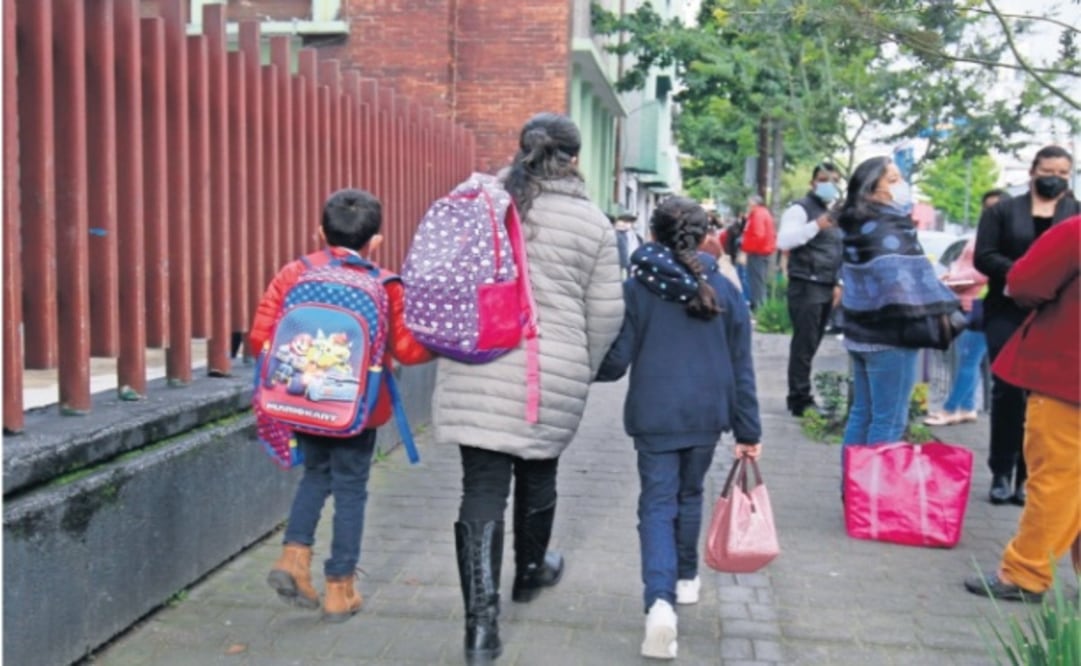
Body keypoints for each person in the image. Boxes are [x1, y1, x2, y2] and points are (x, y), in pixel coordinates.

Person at [430, 113, 624, 664]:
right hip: (548, 368)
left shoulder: (484, 204)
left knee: (481, 488)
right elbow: (606, 314)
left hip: (478, 362)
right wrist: (579, 368)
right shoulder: (592, 224)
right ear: (575, 159)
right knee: (539, 474)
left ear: (521, 151)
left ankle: (480, 631)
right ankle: (530, 574)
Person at [249, 189, 433, 622]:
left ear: (320, 232)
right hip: (358, 410)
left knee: (316, 474)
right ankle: (340, 588)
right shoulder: (386, 284)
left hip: (300, 400)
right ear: (377, 241)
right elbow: (406, 351)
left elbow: (261, 339)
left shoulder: (295, 273)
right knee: (350, 489)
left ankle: (293, 559)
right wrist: (438, 345)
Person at [596, 196, 761, 660]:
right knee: (690, 496)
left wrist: (578, 363)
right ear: (706, 235)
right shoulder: (726, 290)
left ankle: (660, 606)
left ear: (652, 235)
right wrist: (749, 432)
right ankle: (686, 579)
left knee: (657, 503)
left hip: (654, 414)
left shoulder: (639, 288)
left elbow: (616, 363)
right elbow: (741, 368)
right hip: (708, 415)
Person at [965, 214, 1080, 602]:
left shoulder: (1075, 232)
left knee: (1054, 479)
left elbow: (1024, 283)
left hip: (1067, 372)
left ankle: (1025, 575)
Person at [974, 145, 1079, 506]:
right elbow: (984, 255)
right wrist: (1024, 273)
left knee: (1042, 397)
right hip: (1008, 309)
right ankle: (1001, 471)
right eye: (1049, 170)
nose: (1055, 178)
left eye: (1063, 173)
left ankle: (1028, 475)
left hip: (1055, 315)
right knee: (1007, 390)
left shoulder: (1075, 213)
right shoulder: (1003, 211)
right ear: (1033, 171)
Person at [837, 156, 963, 451]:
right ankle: (874, 495)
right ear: (871, 190)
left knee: (861, 415)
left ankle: (854, 492)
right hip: (891, 337)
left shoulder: (854, 223)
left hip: (859, 333)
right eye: (892, 180)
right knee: (889, 421)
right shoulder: (889, 224)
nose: (901, 186)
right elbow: (900, 282)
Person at [924, 189, 1005, 427]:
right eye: (986, 206)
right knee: (966, 359)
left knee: (969, 360)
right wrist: (952, 276)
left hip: (982, 306)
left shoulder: (1003, 237)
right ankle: (967, 407)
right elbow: (963, 262)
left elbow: (984, 270)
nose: (989, 211)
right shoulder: (982, 233)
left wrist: (955, 281)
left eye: (995, 207)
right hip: (966, 303)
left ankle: (950, 409)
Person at [776, 163, 844, 417]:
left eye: (834, 180)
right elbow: (784, 241)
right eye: (823, 179)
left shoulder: (834, 213)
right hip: (806, 283)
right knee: (804, 344)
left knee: (813, 342)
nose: (828, 184)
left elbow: (838, 250)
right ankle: (799, 398)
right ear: (812, 182)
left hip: (826, 283)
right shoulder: (800, 209)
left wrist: (838, 282)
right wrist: (816, 225)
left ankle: (802, 394)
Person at [741, 195, 777, 311]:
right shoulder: (763, 213)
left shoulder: (758, 214)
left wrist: (746, 248)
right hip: (762, 251)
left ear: (754, 204)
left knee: (756, 281)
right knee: (759, 280)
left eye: (749, 203)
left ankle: (760, 308)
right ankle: (760, 306)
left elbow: (758, 234)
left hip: (757, 252)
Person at [613, 209, 644, 279]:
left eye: (629, 221)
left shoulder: (637, 237)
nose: (626, 223)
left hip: (633, 267)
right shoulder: (616, 234)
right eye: (624, 220)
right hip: (620, 267)